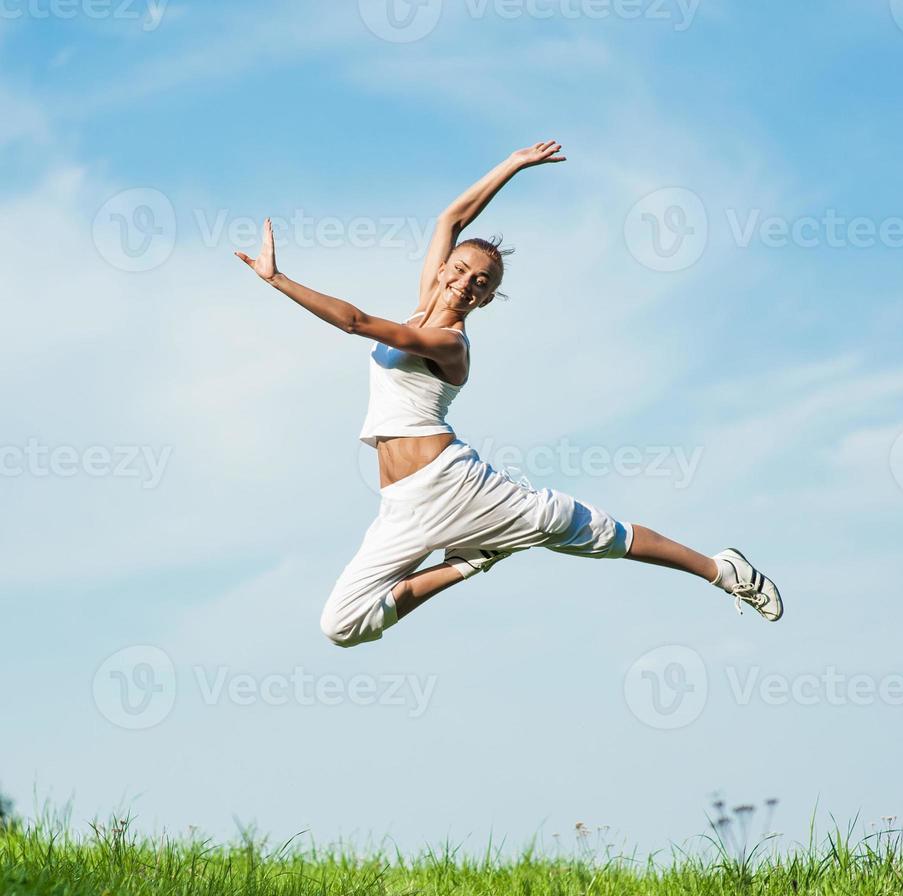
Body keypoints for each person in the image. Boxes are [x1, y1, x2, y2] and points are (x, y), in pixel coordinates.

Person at [236, 141, 783, 647]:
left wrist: (277, 279)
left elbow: (356, 322)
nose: (468, 281)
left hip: (456, 485)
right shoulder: (425, 303)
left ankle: (720, 569)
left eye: (483, 282)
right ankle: (472, 562)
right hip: (401, 506)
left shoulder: (449, 344)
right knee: (342, 626)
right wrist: (514, 164)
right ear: (446, 268)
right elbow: (452, 218)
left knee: (594, 532)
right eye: (463, 269)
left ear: (488, 299)